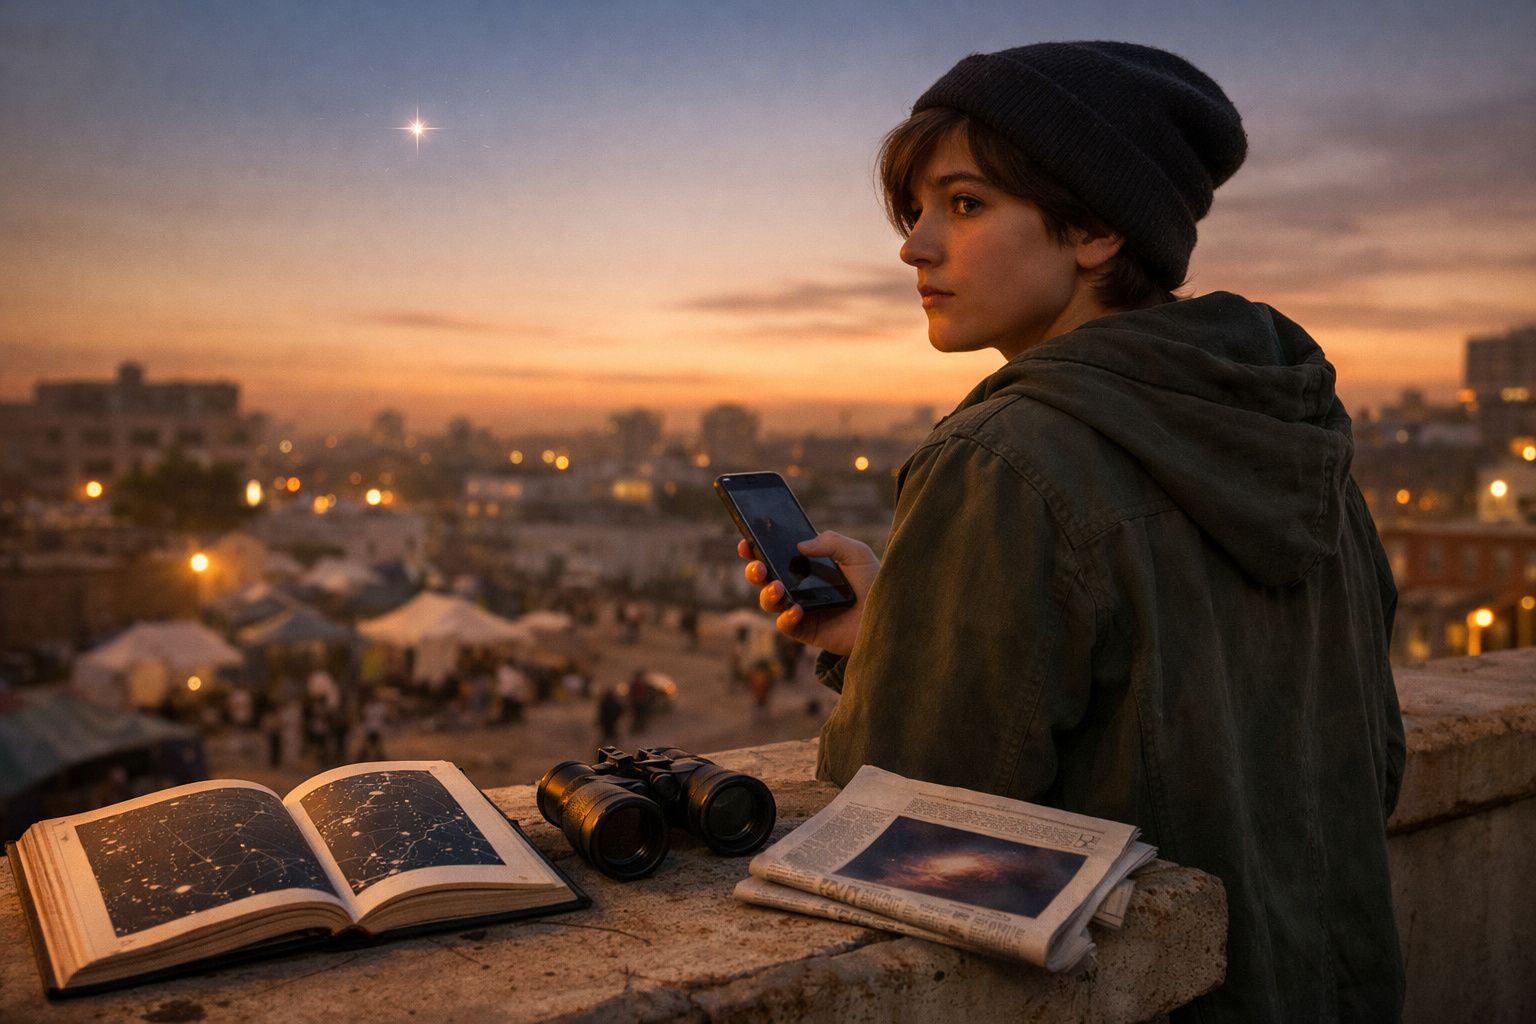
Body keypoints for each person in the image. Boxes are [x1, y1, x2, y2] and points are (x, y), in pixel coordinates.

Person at [739, 42, 1404, 1022]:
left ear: (1096, 229)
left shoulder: (1003, 458)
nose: (915, 247)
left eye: (965, 205)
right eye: (915, 211)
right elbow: (1372, 763)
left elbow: (902, 825)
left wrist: (892, 680)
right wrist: (900, 627)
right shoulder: (1296, 435)